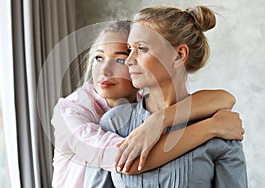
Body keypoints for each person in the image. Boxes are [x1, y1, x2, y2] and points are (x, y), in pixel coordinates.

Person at [51, 21, 244, 188]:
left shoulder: (141, 99)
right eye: (98, 57)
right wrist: (212, 127)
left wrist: (161, 119)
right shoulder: (72, 112)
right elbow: (127, 160)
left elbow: (224, 98)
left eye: (121, 58)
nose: (105, 71)